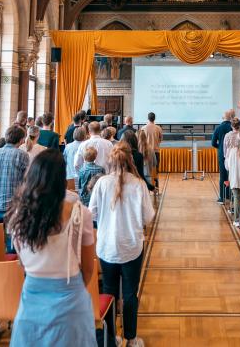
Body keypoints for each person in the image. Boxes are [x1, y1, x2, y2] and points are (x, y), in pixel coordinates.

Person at [7, 149, 97, 345]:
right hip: (70, 298)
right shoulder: (81, 214)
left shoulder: (17, 216)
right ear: (61, 178)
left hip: (32, 298)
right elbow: (89, 269)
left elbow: (22, 263)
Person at [89, 144, 155, 347]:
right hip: (131, 246)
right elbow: (148, 218)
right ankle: (131, 338)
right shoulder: (138, 184)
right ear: (130, 162)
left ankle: (111, 338)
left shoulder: (101, 184)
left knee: (108, 292)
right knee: (129, 294)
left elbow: (91, 213)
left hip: (107, 246)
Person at [0, 126, 29, 252]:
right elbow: (27, 182)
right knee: (13, 245)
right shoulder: (22, 155)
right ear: (21, 140)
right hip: (13, 207)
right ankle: (11, 269)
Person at [211, 109, 234, 204]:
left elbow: (213, 143)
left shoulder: (218, 128)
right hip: (233, 154)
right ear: (231, 118)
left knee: (223, 175)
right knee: (232, 175)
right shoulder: (233, 127)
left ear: (223, 118)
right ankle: (232, 195)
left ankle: (222, 197)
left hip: (222, 154)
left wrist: (220, 148)